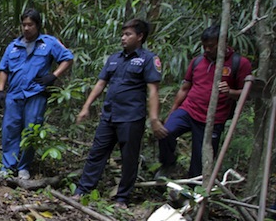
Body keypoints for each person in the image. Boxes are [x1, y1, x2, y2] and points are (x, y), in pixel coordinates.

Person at [74, 18, 168, 206]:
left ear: (140, 36)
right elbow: (101, 84)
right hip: (109, 115)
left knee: (129, 159)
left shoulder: (148, 59)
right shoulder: (114, 58)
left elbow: (153, 91)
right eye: (123, 34)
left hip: (131, 117)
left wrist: (154, 118)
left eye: (128, 34)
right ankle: (82, 191)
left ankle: (122, 198)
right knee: (97, 153)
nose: (123, 38)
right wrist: (86, 106)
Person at [157, 25, 252, 179]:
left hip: (213, 119)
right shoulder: (198, 61)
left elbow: (247, 94)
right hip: (189, 110)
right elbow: (185, 88)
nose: (207, 50)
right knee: (165, 131)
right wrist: (172, 112)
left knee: (199, 162)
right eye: (204, 46)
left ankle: (191, 193)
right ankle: (168, 164)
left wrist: (231, 92)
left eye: (211, 46)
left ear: (223, 43)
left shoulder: (239, 63)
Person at [0, 8, 73, 180]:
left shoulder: (49, 42)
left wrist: (53, 75)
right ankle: (7, 166)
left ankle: (24, 167)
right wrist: (0, 90)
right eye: (24, 25)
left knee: (31, 130)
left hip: (36, 93)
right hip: (14, 94)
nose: (26, 28)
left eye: (30, 25)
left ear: (37, 25)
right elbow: (3, 69)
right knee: (10, 129)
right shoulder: (13, 46)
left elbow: (68, 57)